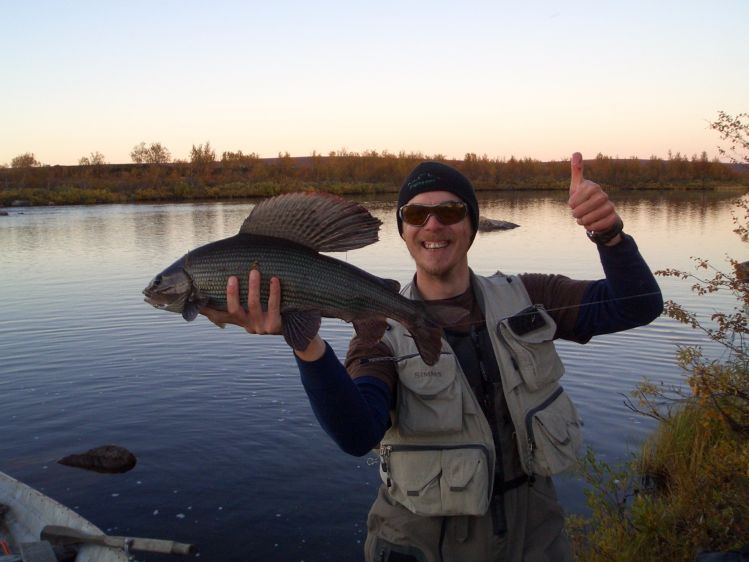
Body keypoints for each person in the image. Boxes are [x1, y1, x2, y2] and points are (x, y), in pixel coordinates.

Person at [201, 153, 663, 562]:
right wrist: (306, 346)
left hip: (535, 542)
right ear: (403, 229)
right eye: (417, 213)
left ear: (472, 225)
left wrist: (610, 235)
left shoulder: (530, 296)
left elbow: (637, 303)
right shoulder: (376, 329)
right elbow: (357, 432)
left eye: (450, 211)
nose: (433, 225)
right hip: (423, 548)